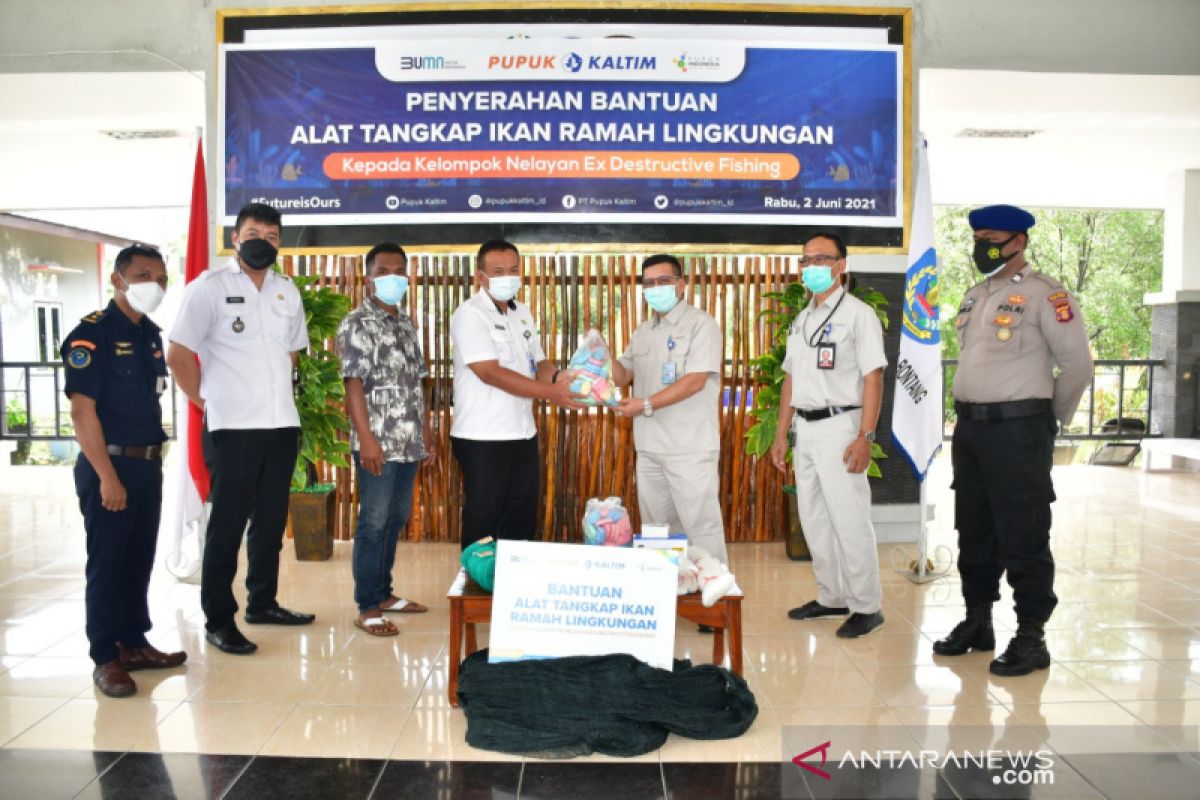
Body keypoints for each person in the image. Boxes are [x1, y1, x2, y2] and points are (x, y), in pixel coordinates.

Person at [935, 204, 1093, 676]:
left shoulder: (1047, 294)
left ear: (1018, 241)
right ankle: (978, 621)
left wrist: (1047, 420)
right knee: (975, 528)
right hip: (971, 431)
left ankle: (1031, 637)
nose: (983, 246)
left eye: (993, 238)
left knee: (1023, 532)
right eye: (978, 237)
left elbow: (1078, 366)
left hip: (1019, 430)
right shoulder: (976, 295)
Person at [167, 202, 315, 656]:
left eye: (271, 236)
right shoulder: (208, 288)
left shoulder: (287, 290)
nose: (262, 241)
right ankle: (218, 618)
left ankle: (263, 603)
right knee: (227, 525)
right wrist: (204, 402)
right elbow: (177, 353)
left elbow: (293, 351)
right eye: (253, 232)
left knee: (270, 520)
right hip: (232, 427)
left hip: (280, 425)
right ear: (235, 238)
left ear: (279, 243)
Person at [63, 244, 187, 697]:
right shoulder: (90, 335)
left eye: (159, 277)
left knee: (138, 561)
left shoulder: (149, 334)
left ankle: (133, 642)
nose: (152, 284)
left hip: (147, 465)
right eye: (142, 275)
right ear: (118, 280)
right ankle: (105, 656)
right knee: (108, 564)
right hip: (108, 466)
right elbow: (82, 414)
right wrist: (107, 477)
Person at [771, 232, 888, 639]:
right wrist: (781, 432)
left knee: (849, 519)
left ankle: (867, 606)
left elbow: (873, 377)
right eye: (805, 260)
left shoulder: (859, 315)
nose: (811, 267)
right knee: (814, 518)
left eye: (821, 259)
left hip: (843, 425)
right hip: (805, 428)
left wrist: (865, 436)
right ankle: (832, 595)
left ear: (841, 266)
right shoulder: (803, 317)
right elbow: (790, 379)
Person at [449, 239, 585, 549]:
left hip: (522, 433)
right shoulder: (469, 314)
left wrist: (560, 377)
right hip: (482, 437)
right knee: (484, 521)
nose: (507, 277)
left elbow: (537, 362)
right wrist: (551, 393)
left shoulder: (521, 312)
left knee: (521, 518)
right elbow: (490, 372)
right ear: (480, 276)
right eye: (498, 271)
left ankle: (513, 590)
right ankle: (476, 591)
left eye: (513, 270)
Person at [337, 242, 434, 637]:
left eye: (399, 271)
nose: (392, 278)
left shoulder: (406, 322)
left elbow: (416, 382)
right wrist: (366, 438)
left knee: (395, 519)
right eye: (383, 271)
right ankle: (368, 606)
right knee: (373, 522)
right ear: (368, 277)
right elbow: (353, 384)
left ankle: (385, 593)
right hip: (378, 441)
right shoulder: (357, 322)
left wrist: (426, 429)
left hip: (410, 440)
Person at [611, 254, 728, 566]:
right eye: (648, 283)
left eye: (663, 281)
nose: (655, 288)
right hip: (649, 448)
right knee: (657, 531)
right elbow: (623, 374)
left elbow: (695, 381)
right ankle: (668, 593)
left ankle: (714, 604)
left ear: (681, 284)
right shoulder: (643, 331)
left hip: (688, 447)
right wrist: (600, 354)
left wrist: (645, 404)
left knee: (700, 527)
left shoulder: (701, 325)